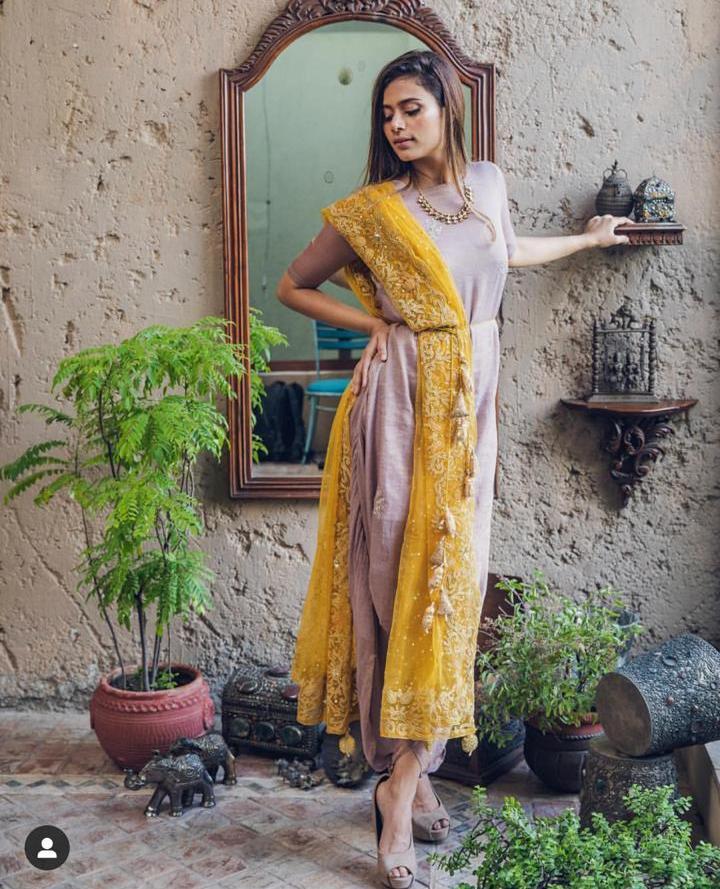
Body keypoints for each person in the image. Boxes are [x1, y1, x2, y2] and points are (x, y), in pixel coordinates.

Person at [277, 50, 633, 889]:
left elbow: (507, 252)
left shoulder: (487, 184)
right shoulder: (374, 211)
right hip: (398, 403)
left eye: (410, 109)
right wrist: (368, 330)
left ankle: (411, 774)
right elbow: (294, 285)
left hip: (471, 403)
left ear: (446, 106)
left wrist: (586, 238)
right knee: (398, 581)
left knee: (452, 589)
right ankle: (399, 795)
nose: (397, 127)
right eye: (386, 116)